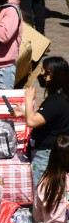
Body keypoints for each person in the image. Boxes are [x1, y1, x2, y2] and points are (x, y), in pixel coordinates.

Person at [23, 57, 69, 187]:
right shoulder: (61, 96)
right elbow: (46, 115)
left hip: (45, 153)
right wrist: (23, 112)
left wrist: (28, 98)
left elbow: (32, 121)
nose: (40, 75)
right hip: (52, 150)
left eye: (43, 71)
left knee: (40, 189)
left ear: (52, 75)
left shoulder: (56, 101)